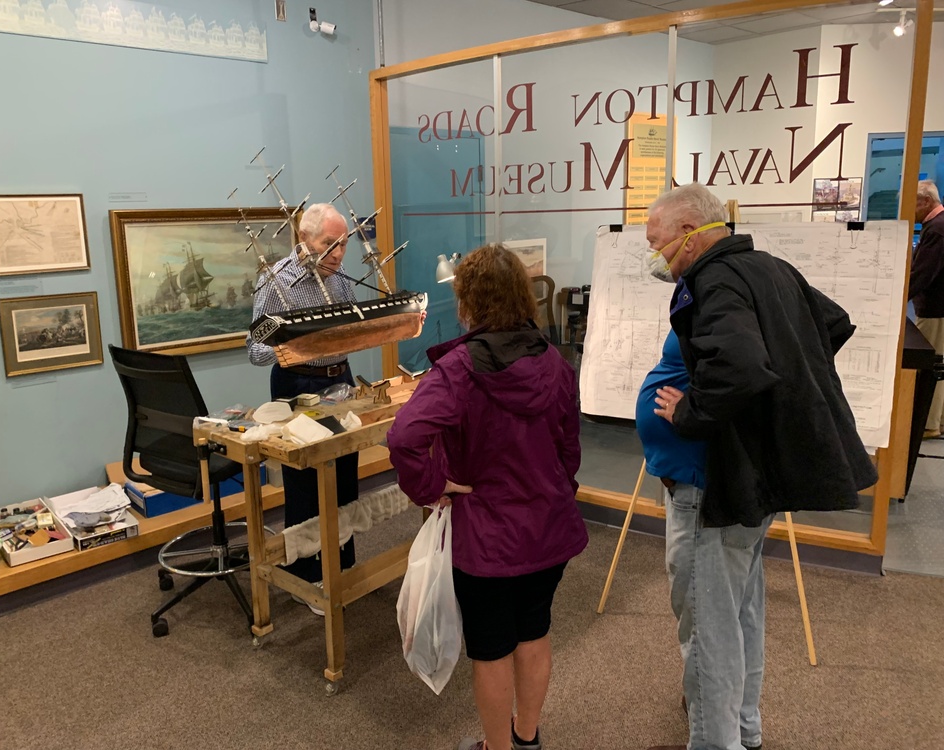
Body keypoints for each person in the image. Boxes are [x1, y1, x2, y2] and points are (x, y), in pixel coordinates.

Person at [640, 183, 878, 750]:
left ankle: (716, 741)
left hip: (711, 482)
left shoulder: (715, 279)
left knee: (709, 626)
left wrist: (692, 411)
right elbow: (833, 324)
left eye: (656, 242)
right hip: (744, 479)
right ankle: (744, 731)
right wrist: (779, 403)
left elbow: (741, 368)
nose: (653, 255)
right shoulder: (766, 266)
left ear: (690, 233)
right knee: (739, 609)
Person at [387, 244, 587, 750]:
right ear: (523, 295)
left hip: (486, 538)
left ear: (467, 302)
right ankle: (526, 740)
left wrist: (435, 486)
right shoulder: (556, 363)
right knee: (534, 631)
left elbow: (404, 437)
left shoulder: (460, 369)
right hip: (548, 528)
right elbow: (569, 451)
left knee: (493, 649)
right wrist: (555, 492)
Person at [246, 202, 357, 614]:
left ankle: (342, 566)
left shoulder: (342, 278)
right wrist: (297, 346)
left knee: (345, 475)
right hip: (298, 384)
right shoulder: (275, 281)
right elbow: (256, 351)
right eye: (330, 244)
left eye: (343, 244)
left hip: (340, 380)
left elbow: (351, 326)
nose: (339, 254)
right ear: (304, 240)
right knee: (305, 481)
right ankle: (306, 576)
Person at [908, 179, 944, 438]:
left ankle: (929, 423)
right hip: (937, 306)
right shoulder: (935, 226)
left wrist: (899, 298)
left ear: (926, 201)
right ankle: (936, 420)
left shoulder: (937, 229)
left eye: (913, 204)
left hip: (936, 308)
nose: (910, 210)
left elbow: (923, 273)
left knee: (930, 365)